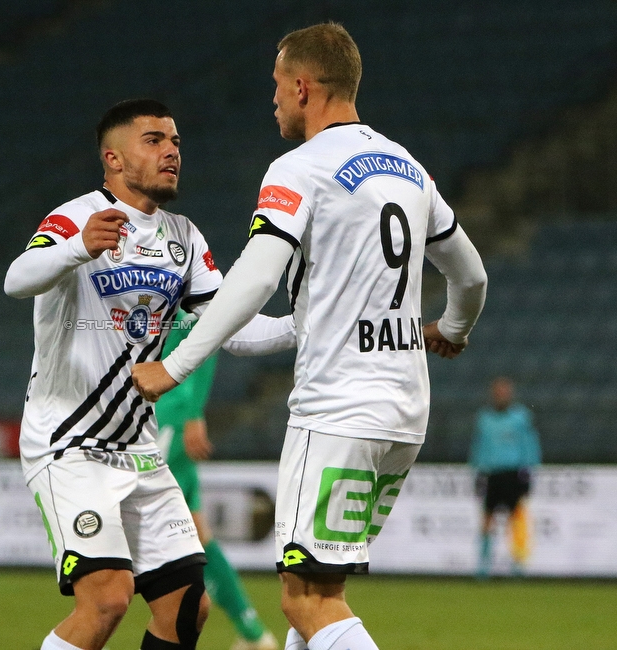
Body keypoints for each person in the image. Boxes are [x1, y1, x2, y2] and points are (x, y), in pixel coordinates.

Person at [132, 23, 488, 650]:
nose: (271, 99)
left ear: (302, 87)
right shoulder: (409, 168)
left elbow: (256, 277)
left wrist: (174, 367)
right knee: (322, 596)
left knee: (302, 601)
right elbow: (472, 274)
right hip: (404, 410)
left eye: (276, 86)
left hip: (338, 408)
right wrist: (453, 329)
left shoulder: (300, 168)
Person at [4, 99, 295, 650]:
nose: (171, 152)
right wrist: (74, 248)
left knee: (188, 606)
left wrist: (303, 328)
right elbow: (17, 280)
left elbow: (229, 328)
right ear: (113, 158)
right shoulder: (77, 217)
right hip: (70, 444)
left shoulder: (183, 238)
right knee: (108, 597)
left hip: (138, 449)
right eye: (155, 140)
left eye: (176, 142)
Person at [155, 312, 278, 650]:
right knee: (196, 532)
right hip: (162, 414)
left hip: (165, 418)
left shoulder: (173, 291)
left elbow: (206, 338)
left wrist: (194, 413)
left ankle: (93, 624)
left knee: (126, 521)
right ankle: (251, 631)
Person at [470, 376, 541, 577]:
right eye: (498, 392)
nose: (501, 395)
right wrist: (477, 471)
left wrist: (528, 471)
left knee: (516, 519)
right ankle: (483, 564)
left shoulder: (521, 417)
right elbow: (479, 447)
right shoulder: (484, 418)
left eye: (504, 392)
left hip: (513, 473)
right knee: (487, 520)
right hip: (492, 473)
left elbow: (530, 445)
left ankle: (518, 563)